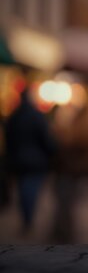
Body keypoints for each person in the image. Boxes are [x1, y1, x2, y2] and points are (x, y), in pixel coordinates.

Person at [5, 88, 57, 232]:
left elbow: (9, 140)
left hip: (18, 160)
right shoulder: (37, 116)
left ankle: (26, 218)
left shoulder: (13, 116)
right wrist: (52, 152)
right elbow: (46, 139)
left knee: (23, 189)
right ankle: (28, 219)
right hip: (36, 161)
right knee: (31, 189)